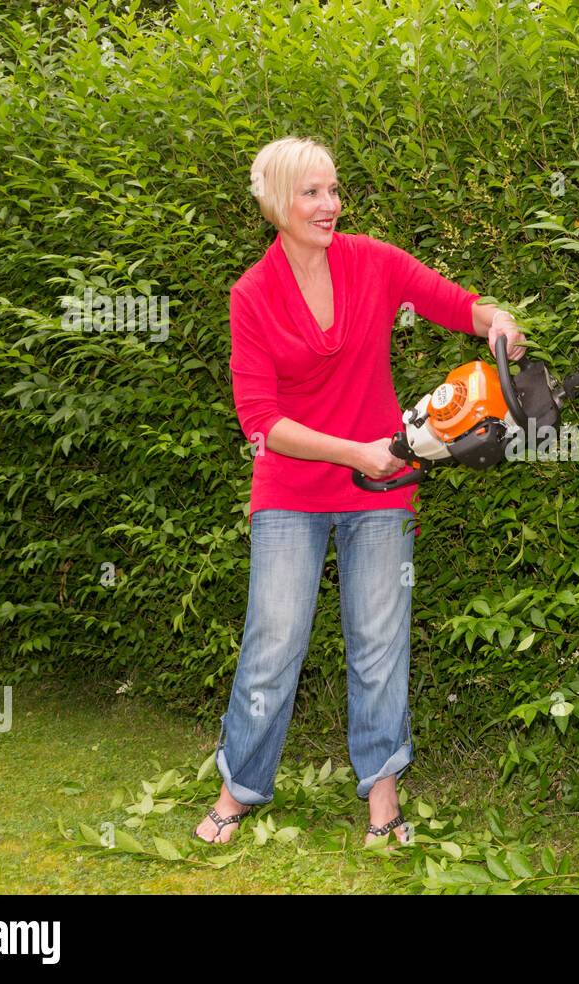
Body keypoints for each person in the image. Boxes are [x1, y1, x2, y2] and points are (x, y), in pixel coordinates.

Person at [194, 136, 525, 846]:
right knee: (275, 638)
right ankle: (239, 787)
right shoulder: (251, 295)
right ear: (276, 202)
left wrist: (494, 320)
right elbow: (261, 421)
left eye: (334, 190)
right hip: (291, 487)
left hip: (383, 483)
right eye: (312, 192)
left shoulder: (370, 260)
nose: (329, 205)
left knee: (379, 640)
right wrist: (357, 453)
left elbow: (451, 302)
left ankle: (383, 798)